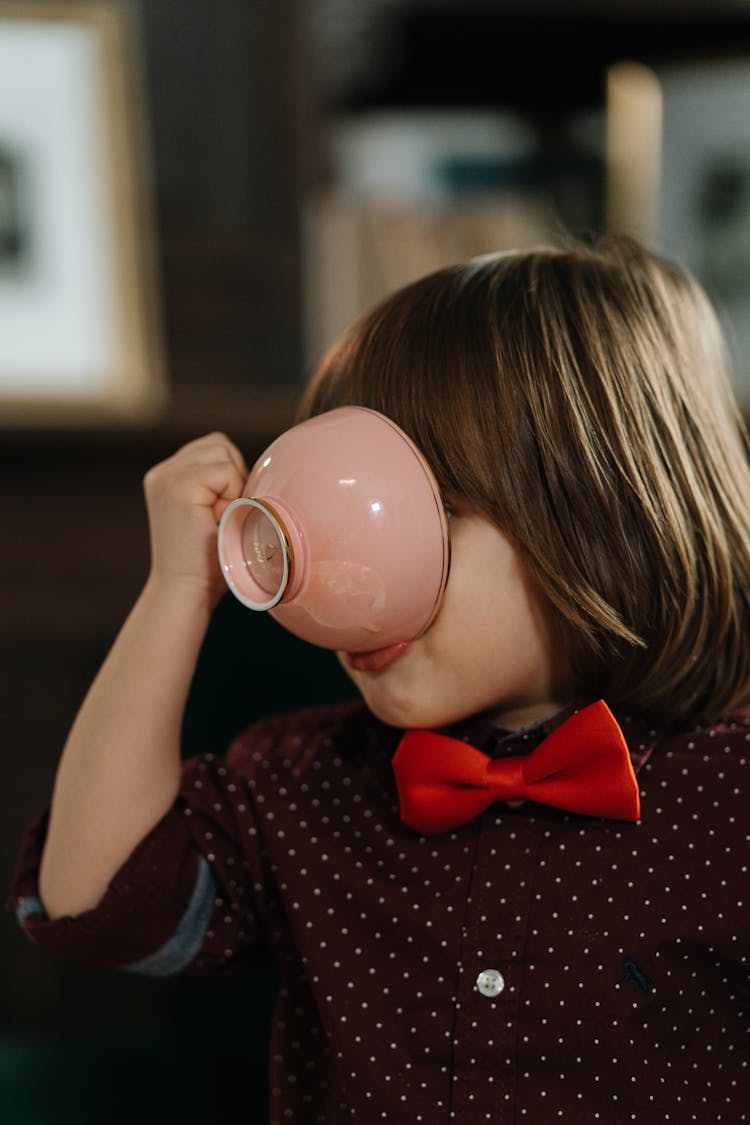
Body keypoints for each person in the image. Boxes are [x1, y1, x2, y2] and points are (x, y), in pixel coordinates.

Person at [8, 234, 750, 1122]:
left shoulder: (731, 792)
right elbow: (93, 898)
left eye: (433, 512)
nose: (348, 580)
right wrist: (179, 587)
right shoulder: (300, 781)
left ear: (609, 513)